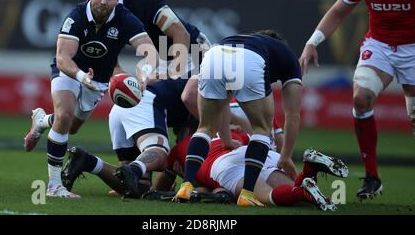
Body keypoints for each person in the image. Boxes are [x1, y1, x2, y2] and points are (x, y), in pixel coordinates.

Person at [299, 0, 415, 200]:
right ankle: (372, 177)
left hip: (413, 47)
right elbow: (338, 11)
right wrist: (312, 42)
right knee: (361, 98)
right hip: (380, 46)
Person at [24, 0, 159, 198]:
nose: (104, 1)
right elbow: (63, 58)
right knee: (64, 117)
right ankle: (55, 185)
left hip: (98, 80)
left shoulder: (125, 18)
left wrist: (144, 75)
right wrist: (80, 77)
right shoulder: (75, 17)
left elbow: (150, 53)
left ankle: (42, 120)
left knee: (72, 128)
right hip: (70, 72)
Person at [175, 30, 303, 206]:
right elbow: (293, 114)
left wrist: (226, 140)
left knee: (205, 127)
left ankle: (186, 186)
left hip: (215, 53)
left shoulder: (247, 40)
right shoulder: (289, 59)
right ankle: (247, 194)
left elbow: (224, 103)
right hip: (248, 60)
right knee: (262, 129)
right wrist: (286, 156)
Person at [150, 126, 348, 211]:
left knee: (270, 197)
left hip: (223, 165)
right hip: (255, 152)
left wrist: (173, 176)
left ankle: (303, 187)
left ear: (182, 133)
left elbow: (160, 188)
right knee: (297, 198)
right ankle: (308, 173)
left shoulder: (181, 148)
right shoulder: (228, 133)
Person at [61, 77, 193, 198]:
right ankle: (134, 168)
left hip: (122, 105)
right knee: (160, 154)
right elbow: (180, 151)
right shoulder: (201, 87)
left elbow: (181, 141)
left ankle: (88, 162)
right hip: (144, 103)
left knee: (138, 187)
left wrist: (160, 188)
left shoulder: (190, 81)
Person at [75, 0, 211, 79]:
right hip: (162, 61)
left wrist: (173, 75)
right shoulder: (100, 19)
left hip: (191, 51)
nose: (98, 3)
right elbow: (113, 66)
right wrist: (127, 83)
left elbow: (181, 34)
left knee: (189, 102)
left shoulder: (144, 0)